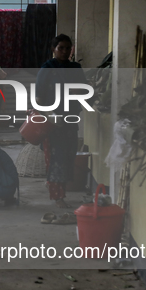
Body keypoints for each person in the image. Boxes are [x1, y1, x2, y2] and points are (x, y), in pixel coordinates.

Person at [36, 34, 88, 209]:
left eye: (68, 48)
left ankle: (58, 189)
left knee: (67, 157)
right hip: (53, 121)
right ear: (53, 49)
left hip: (70, 120)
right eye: (61, 48)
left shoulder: (76, 68)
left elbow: (85, 91)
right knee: (55, 159)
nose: (65, 51)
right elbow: (39, 96)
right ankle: (57, 196)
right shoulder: (47, 68)